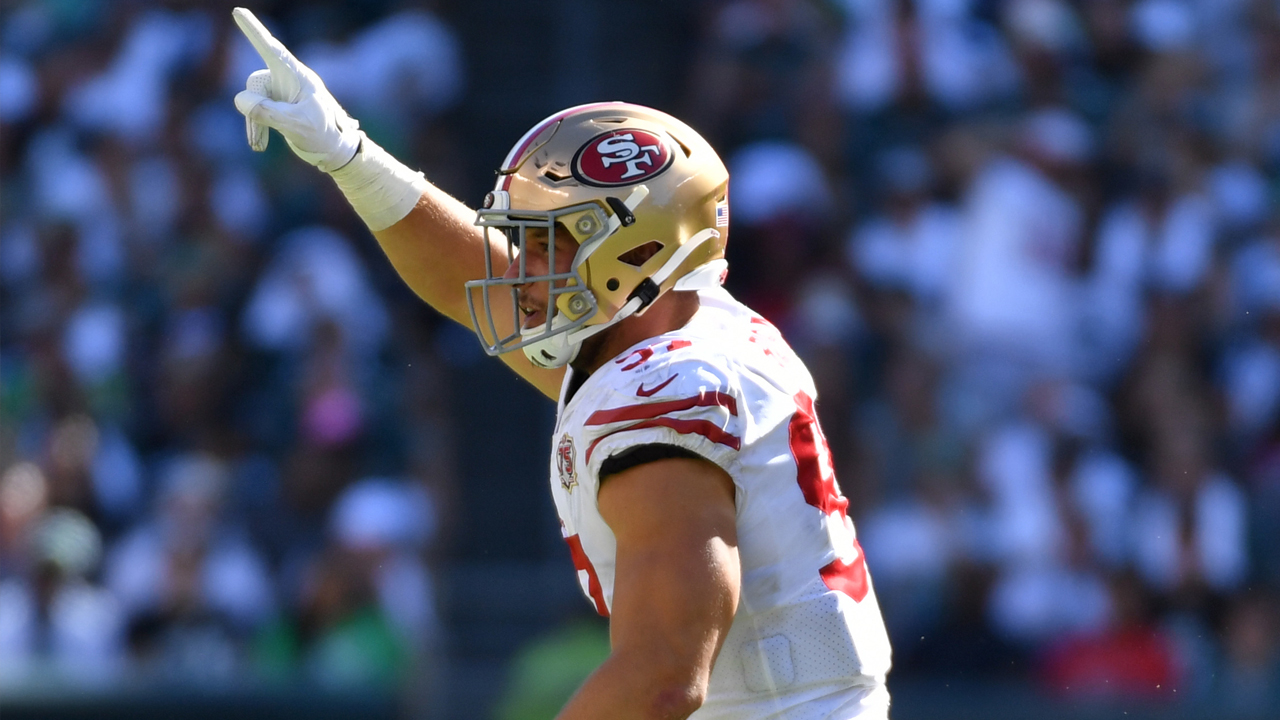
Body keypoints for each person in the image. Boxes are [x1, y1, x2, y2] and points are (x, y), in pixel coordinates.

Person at [230, 8, 892, 718]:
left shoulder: (667, 391)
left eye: (550, 244)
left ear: (637, 250)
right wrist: (347, 152)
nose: (524, 270)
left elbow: (663, 676)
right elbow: (464, 274)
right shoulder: (691, 332)